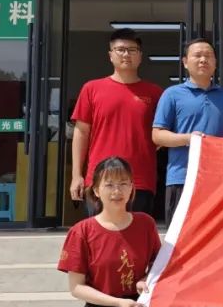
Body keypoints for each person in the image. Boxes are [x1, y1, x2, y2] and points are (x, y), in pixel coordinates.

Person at [58, 156, 189, 307]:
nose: (117, 191)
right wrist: (117, 302)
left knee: (180, 300)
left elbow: (158, 265)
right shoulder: (82, 232)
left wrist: (144, 280)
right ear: (96, 190)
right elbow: (76, 287)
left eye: (123, 184)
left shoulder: (145, 224)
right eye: (109, 185)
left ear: (132, 188)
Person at [152, 38, 223, 307]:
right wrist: (190, 139)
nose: (203, 60)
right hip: (181, 179)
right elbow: (158, 136)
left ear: (215, 63)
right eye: (197, 55)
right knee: (181, 247)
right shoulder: (172, 95)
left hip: (217, 184)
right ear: (185, 62)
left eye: (208, 55)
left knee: (214, 247)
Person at [69, 28, 163, 216]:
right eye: (120, 50)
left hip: (139, 180)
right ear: (110, 55)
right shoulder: (91, 89)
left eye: (132, 50)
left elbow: (161, 135)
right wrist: (76, 175)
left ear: (140, 56)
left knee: (136, 233)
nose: (126, 54)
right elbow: (81, 133)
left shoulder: (155, 93)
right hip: (100, 179)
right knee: (100, 233)